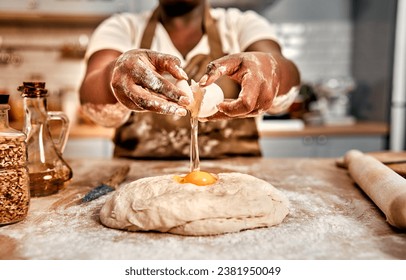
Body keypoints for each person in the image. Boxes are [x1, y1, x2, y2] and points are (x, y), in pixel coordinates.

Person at [79, 0, 300, 159]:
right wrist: (115, 73)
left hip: (237, 175)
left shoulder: (240, 26)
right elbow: (92, 94)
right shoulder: (123, 28)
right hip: (137, 178)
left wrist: (272, 69)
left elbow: (284, 74)